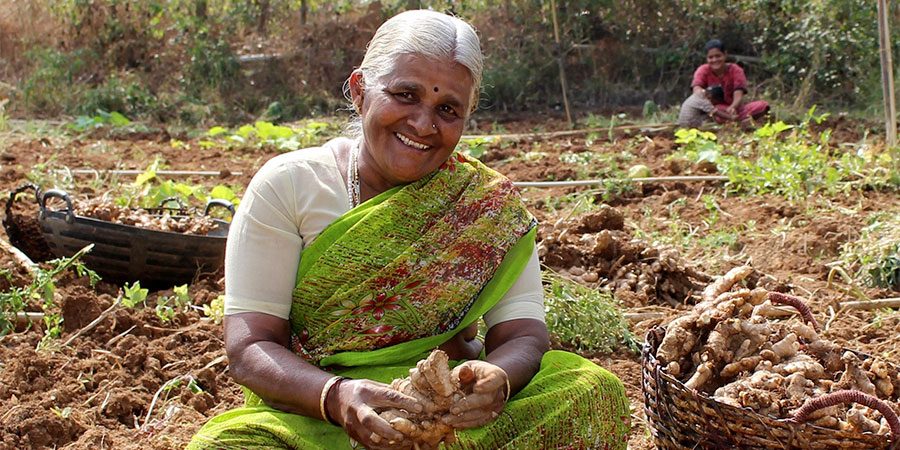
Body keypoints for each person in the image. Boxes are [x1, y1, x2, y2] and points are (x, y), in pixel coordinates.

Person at [188, 10, 629, 450]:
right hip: (323, 420)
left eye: (447, 109)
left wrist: (497, 382)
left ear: (467, 117)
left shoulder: (485, 206)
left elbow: (523, 335)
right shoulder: (291, 184)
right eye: (405, 95)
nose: (423, 124)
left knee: (591, 390)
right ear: (361, 91)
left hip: (450, 417)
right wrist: (336, 397)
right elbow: (250, 347)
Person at [677, 39, 769, 127]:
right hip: (714, 110)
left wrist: (732, 107)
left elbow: (738, 94)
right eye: (711, 57)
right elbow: (696, 89)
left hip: (734, 109)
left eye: (718, 56)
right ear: (707, 58)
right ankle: (739, 122)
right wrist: (705, 95)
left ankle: (736, 121)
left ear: (725, 55)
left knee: (762, 105)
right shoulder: (703, 70)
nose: (715, 60)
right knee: (719, 114)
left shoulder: (735, 70)